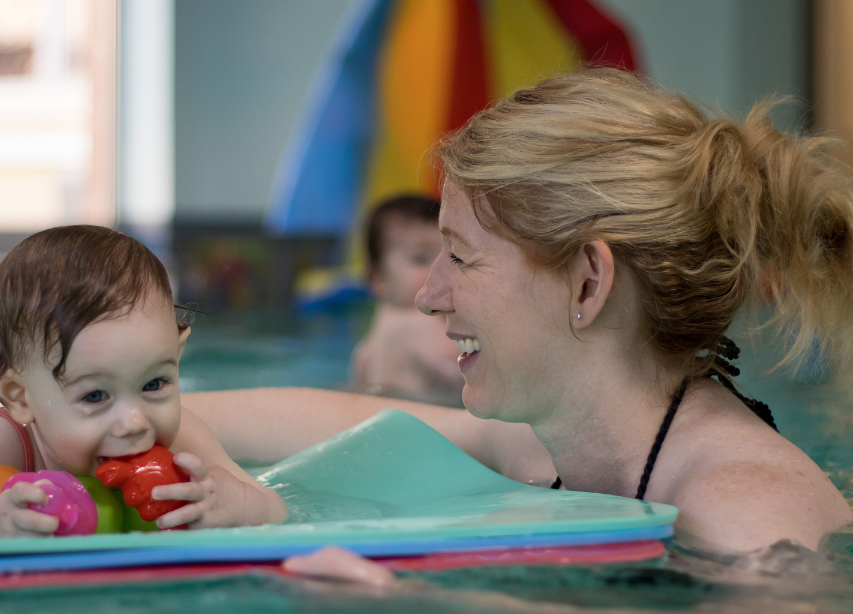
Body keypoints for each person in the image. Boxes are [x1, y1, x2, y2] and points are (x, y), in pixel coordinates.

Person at [185, 69, 853, 560]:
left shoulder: (750, 521)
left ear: (587, 284)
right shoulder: (559, 444)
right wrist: (148, 415)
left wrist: (406, 611)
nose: (427, 295)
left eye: (460, 257)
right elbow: (368, 425)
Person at [0, 225, 288, 539]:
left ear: (177, 355)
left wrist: (236, 505)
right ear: (19, 395)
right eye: (95, 395)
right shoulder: (3, 441)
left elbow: (275, 506)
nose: (135, 422)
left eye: (154, 384)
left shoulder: (181, 439)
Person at [351, 195, 464, 406]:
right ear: (377, 278)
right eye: (420, 259)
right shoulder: (418, 324)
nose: (438, 271)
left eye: (451, 259)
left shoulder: (365, 350)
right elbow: (461, 374)